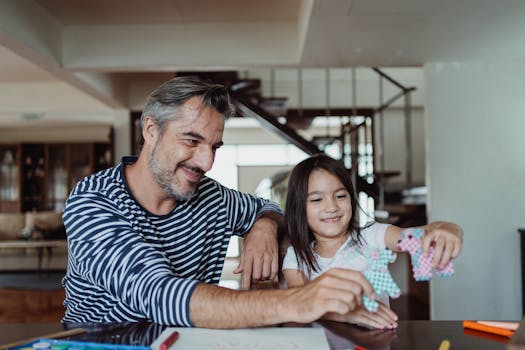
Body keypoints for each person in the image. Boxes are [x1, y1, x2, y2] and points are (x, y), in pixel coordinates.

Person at [62, 76, 376, 328]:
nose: (207, 162)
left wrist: (264, 227)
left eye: (215, 146)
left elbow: (267, 208)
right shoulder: (93, 202)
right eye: (192, 140)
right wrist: (301, 300)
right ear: (151, 130)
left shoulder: (211, 196)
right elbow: (159, 295)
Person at [282, 154, 463, 329]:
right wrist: (348, 314)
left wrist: (448, 229)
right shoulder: (296, 258)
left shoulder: (372, 236)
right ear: (298, 208)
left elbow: (421, 235)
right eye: (316, 199)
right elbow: (301, 304)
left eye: (340, 196)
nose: (332, 207)